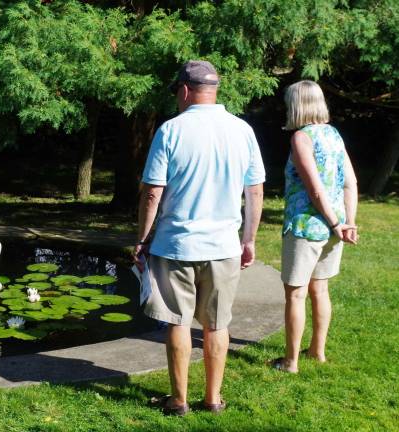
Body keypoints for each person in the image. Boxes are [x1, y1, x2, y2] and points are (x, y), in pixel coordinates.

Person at [135, 60, 265, 416]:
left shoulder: (171, 131)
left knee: (178, 321)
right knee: (217, 323)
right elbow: (254, 191)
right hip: (224, 246)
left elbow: (151, 194)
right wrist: (248, 240)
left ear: (184, 90)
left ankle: (178, 401)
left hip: (176, 245)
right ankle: (212, 399)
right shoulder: (242, 130)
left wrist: (143, 239)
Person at [272, 80, 358, 373]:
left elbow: (315, 189)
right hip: (334, 228)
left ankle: (291, 361)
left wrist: (338, 223)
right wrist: (347, 222)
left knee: (296, 294)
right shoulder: (334, 135)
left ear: (296, 105)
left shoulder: (301, 138)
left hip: (306, 228)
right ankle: (317, 352)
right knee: (320, 290)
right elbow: (351, 183)